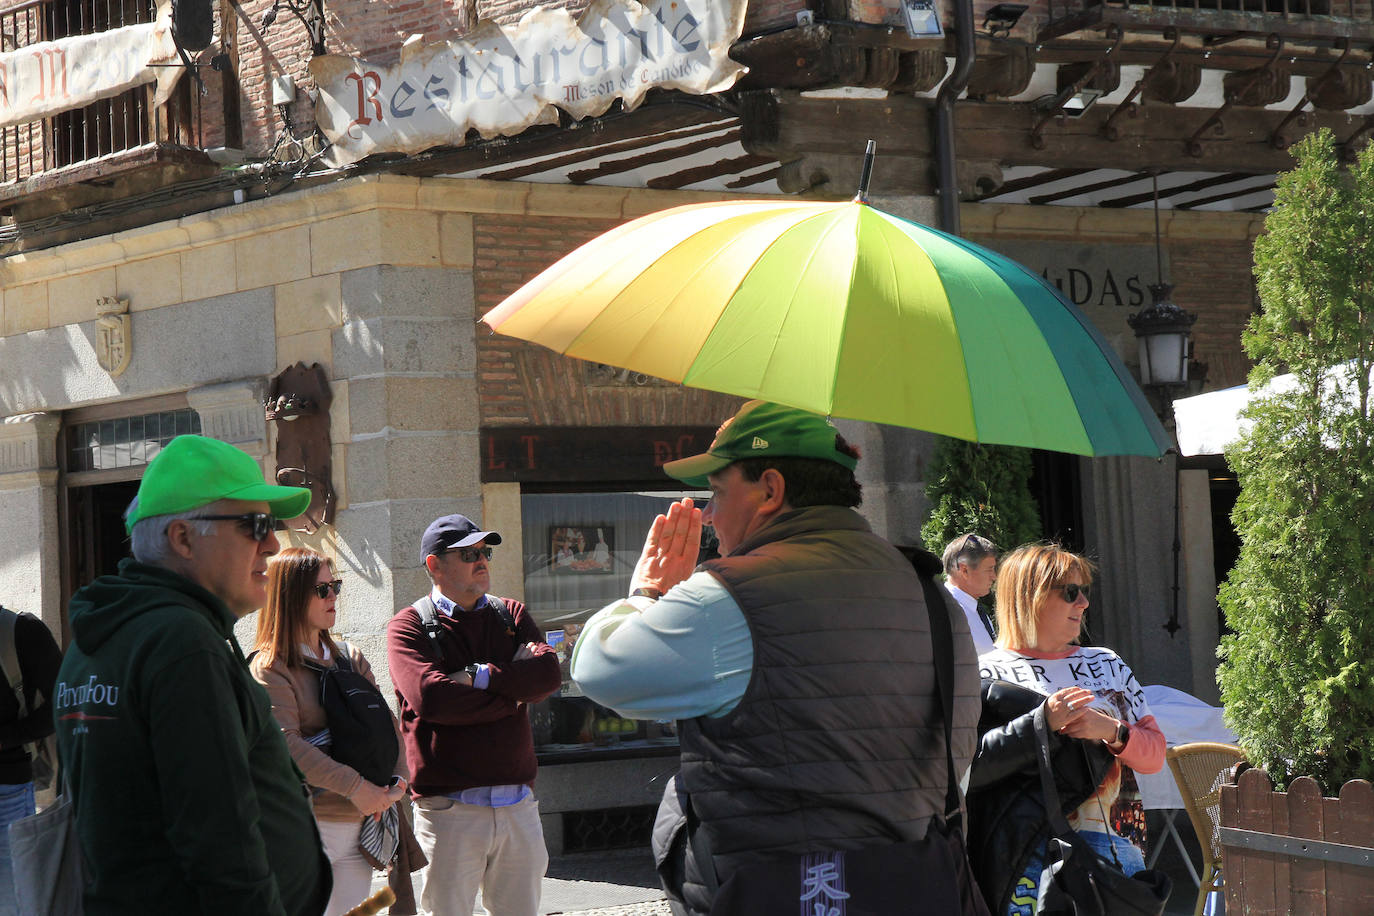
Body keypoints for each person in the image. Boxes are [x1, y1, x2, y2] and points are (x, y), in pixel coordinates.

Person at [570, 399, 982, 916]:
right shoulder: (933, 595)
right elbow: (959, 747)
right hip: (915, 884)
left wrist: (648, 592)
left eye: (718, 492)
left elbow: (598, 670)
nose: (712, 515)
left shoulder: (730, 594)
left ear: (771, 489)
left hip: (782, 887)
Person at [52, 434, 331, 915]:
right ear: (182, 538)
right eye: (255, 524)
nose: (271, 543)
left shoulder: (103, 636)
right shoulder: (180, 640)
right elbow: (218, 834)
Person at [967, 543, 1166, 915]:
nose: (1083, 604)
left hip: (1113, 858)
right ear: (1030, 597)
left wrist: (1111, 730)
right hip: (1024, 855)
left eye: (1084, 592)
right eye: (1070, 593)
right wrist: (1042, 724)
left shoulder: (1108, 665)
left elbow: (1155, 756)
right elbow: (968, 768)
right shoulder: (984, 673)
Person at [387, 514, 562, 916]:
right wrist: (513, 696)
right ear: (435, 565)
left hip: (518, 806)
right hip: (450, 811)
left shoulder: (510, 615)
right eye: (469, 554)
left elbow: (548, 676)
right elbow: (434, 700)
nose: (481, 560)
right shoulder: (409, 626)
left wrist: (476, 675)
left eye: (485, 552)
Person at [251, 547, 409, 916]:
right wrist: (356, 787)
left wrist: (398, 782)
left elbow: (387, 726)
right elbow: (284, 744)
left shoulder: (349, 656)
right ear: (290, 595)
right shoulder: (270, 666)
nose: (333, 596)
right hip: (306, 827)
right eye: (321, 589)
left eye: (334, 585)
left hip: (361, 826)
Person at [0, 606, 62, 916]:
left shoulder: (20, 631)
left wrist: (6, 737)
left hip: (6, 791)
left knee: (11, 899)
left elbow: (63, 702)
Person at [943, 533, 1000, 655]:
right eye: (989, 569)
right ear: (964, 570)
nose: (994, 577)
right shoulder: (947, 611)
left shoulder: (972, 607)